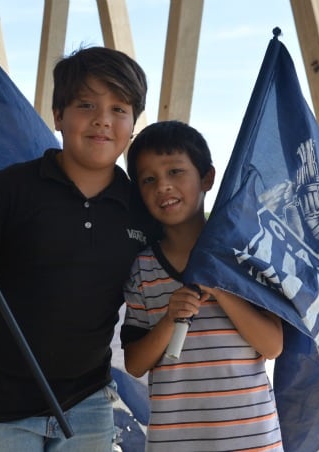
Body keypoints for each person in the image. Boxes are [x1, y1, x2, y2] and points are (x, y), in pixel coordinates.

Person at [0, 46, 157, 451]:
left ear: (133, 125)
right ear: (58, 115)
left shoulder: (140, 209)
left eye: (119, 109)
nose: (102, 121)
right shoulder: (12, 188)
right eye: (86, 104)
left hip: (87, 402)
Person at [120, 121, 285, 451]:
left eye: (175, 172)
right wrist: (169, 319)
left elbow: (272, 345)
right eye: (148, 179)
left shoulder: (245, 256)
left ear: (207, 177)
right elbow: (135, 363)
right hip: (174, 442)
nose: (163, 186)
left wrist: (223, 289)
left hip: (252, 440)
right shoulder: (143, 267)